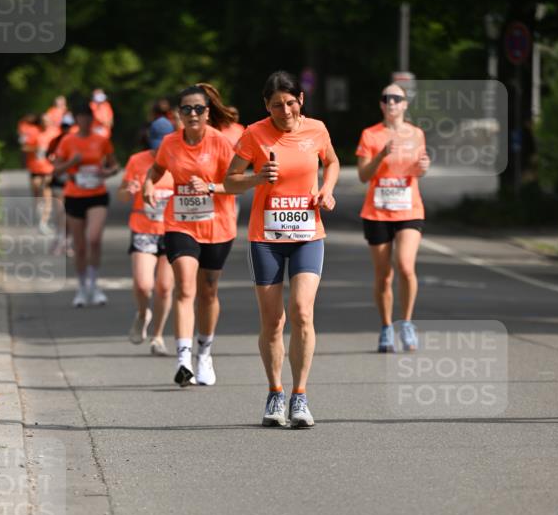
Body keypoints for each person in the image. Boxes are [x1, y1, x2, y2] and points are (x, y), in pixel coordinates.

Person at [224, 70, 339, 428]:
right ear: (266, 106)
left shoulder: (316, 129)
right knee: (274, 322)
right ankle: (275, 392)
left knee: (303, 311)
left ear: (300, 101)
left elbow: (331, 162)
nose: (285, 111)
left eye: (290, 103)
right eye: (277, 105)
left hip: (307, 234)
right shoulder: (254, 134)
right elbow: (229, 182)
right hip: (267, 239)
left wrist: (328, 190)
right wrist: (257, 178)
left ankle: (299, 396)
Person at [143, 84, 237, 387]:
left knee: (208, 291)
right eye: (186, 109)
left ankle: (204, 353)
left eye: (198, 108)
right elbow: (157, 170)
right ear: (178, 114)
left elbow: (236, 182)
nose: (192, 114)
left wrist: (211, 187)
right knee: (185, 286)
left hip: (218, 225)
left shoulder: (221, 143)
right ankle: (183, 359)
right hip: (180, 223)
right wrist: (147, 184)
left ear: (208, 113)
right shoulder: (170, 143)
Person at [356, 83, 430, 352]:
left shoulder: (416, 134)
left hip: (409, 209)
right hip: (377, 211)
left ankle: (407, 323)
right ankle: (386, 326)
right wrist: (381, 155)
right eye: (386, 98)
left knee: (406, 266)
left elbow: (418, 169)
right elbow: (363, 175)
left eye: (397, 98)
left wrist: (424, 167)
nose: (391, 102)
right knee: (383, 276)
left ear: (405, 104)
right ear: (381, 104)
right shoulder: (370, 135)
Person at [119, 115, 176, 354]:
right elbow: (122, 195)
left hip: (172, 230)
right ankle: (143, 313)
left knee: (164, 287)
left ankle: (158, 336)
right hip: (143, 229)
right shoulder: (137, 161)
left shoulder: (180, 161)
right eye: (154, 146)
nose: (157, 151)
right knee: (143, 285)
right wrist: (129, 190)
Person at [53, 102, 119, 307]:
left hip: (97, 194)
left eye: (88, 117)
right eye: (81, 117)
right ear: (76, 119)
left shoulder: (102, 140)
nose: (85, 121)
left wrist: (108, 172)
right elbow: (55, 170)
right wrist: (72, 163)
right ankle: (82, 288)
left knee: (94, 238)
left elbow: (114, 165)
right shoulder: (67, 141)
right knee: (80, 246)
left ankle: (93, 284)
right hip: (74, 194)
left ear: (92, 119)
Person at [21, 113, 58, 233]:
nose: (45, 124)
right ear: (40, 122)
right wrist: (36, 148)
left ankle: (44, 222)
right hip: (35, 168)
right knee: (37, 192)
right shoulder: (33, 132)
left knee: (46, 192)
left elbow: (61, 147)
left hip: (48, 169)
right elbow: (24, 147)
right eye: (43, 121)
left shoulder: (54, 133)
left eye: (48, 121)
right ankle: (41, 215)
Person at [47, 112, 75, 255]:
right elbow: (48, 155)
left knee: (69, 213)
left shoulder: (76, 141)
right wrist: (55, 162)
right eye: (64, 126)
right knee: (59, 212)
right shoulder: (55, 141)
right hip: (58, 180)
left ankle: (67, 243)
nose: (66, 129)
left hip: (73, 182)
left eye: (68, 126)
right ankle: (59, 239)